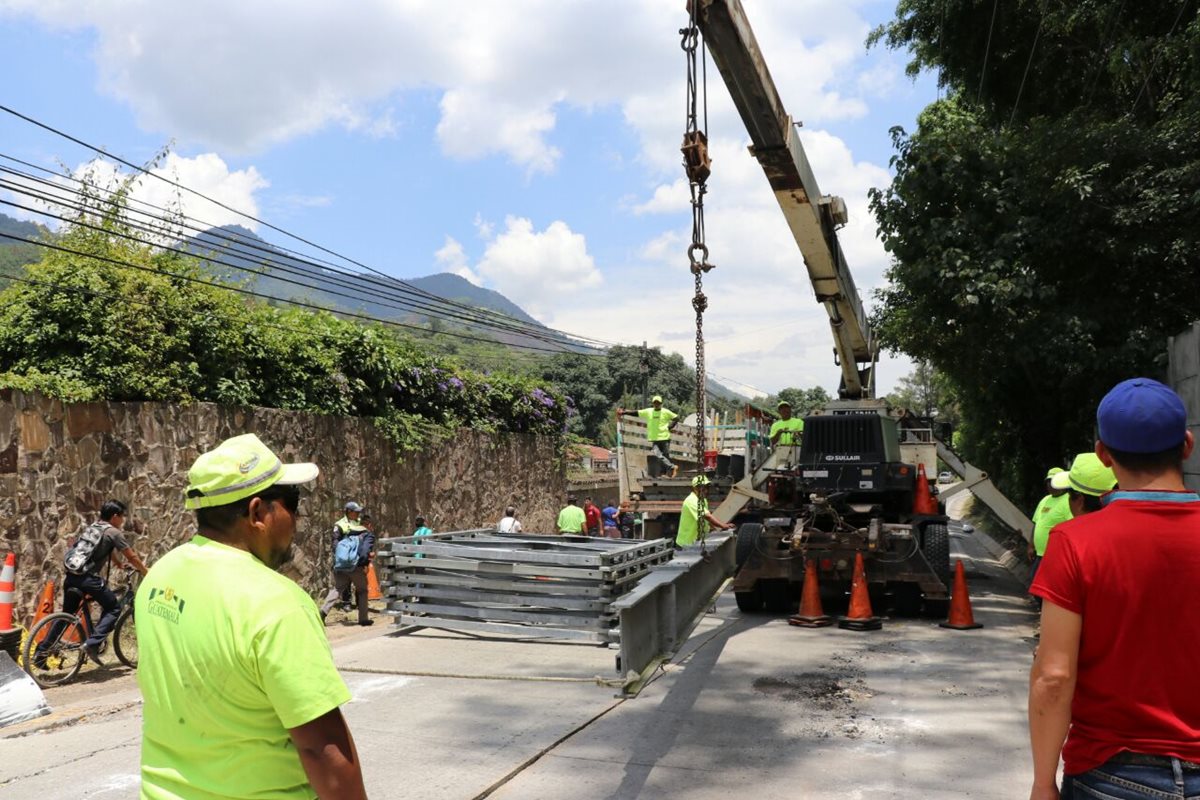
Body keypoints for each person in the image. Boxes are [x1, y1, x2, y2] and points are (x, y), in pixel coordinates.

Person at [135, 433, 366, 799]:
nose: (296, 519)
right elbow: (322, 750)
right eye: (292, 503)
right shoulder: (277, 603)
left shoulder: (160, 576)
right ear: (258, 513)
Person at [1028, 377, 1200, 800]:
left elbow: (1054, 676)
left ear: (1103, 455)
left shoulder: (1075, 543)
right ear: (1187, 445)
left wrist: (1043, 783)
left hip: (1111, 774)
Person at [38, 499, 149, 667]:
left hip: (72, 577)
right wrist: (145, 571)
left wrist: (118, 563)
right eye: (122, 517)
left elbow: (101, 549)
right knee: (114, 608)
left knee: (67, 615)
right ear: (114, 516)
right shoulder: (113, 532)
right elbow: (131, 556)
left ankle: (40, 653)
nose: (122, 520)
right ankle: (92, 644)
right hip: (88, 579)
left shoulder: (93, 528)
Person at [320, 508, 376, 627]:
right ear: (369, 525)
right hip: (355, 567)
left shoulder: (350, 531)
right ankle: (363, 619)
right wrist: (364, 564)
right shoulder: (368, 535)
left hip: (341, 565)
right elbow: (364, 552)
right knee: (362, 590)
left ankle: (322, 612)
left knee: (337, 589)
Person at [1028, 466, 1072, 590]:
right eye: (1048, 481)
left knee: (1046, 588)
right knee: (1034, 584)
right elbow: (1036, 523)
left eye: (1053, 481)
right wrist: (1031, 545)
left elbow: (1072, 527)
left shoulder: (1068, 501)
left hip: (1055, 555)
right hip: (1039, 554)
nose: (1050, 484)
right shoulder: (1044, 500)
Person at [617, 395, 679, 478]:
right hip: (655, 438)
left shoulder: (665, 412)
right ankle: (672, 467)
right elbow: (636, 413)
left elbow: (676, 417)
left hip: (665, 437)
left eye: (658, 403)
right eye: (655, 403)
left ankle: (664, 473)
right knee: (657, 454)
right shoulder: (649, 411)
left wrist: (670, 426)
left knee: (665, 456)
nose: (656, 404)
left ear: (661, 403)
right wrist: (624, 412)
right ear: (653, 403)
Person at [677, 475, 734, 548]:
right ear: (695, 488)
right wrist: (723, 525)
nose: (706, 491)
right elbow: (707, 516)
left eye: (707, 487)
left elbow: (706, 520)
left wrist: (715, 529)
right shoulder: (692, 500)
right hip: (686, 543)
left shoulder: (703, 500)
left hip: (697, 542)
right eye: (703, 488)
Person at [330, 501, 368, 608]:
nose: (358, 514)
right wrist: (340, 556)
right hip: (346, 556)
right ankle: (346, 603)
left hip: (358, 555)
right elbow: (335, 541)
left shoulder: (360, 522)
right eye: (356, 512)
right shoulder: (340, 524)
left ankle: (360, 603)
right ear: (349, 512)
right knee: (346, 580)